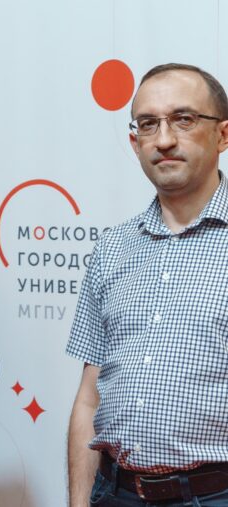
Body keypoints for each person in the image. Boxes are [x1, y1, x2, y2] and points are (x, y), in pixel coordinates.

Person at [67, 63, 228, 506]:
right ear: (134, 142)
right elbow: (89, 396)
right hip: (115, 492)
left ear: (223, 135)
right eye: (148, 124)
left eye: (184, 119)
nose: (164, 139)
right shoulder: (112, 247)